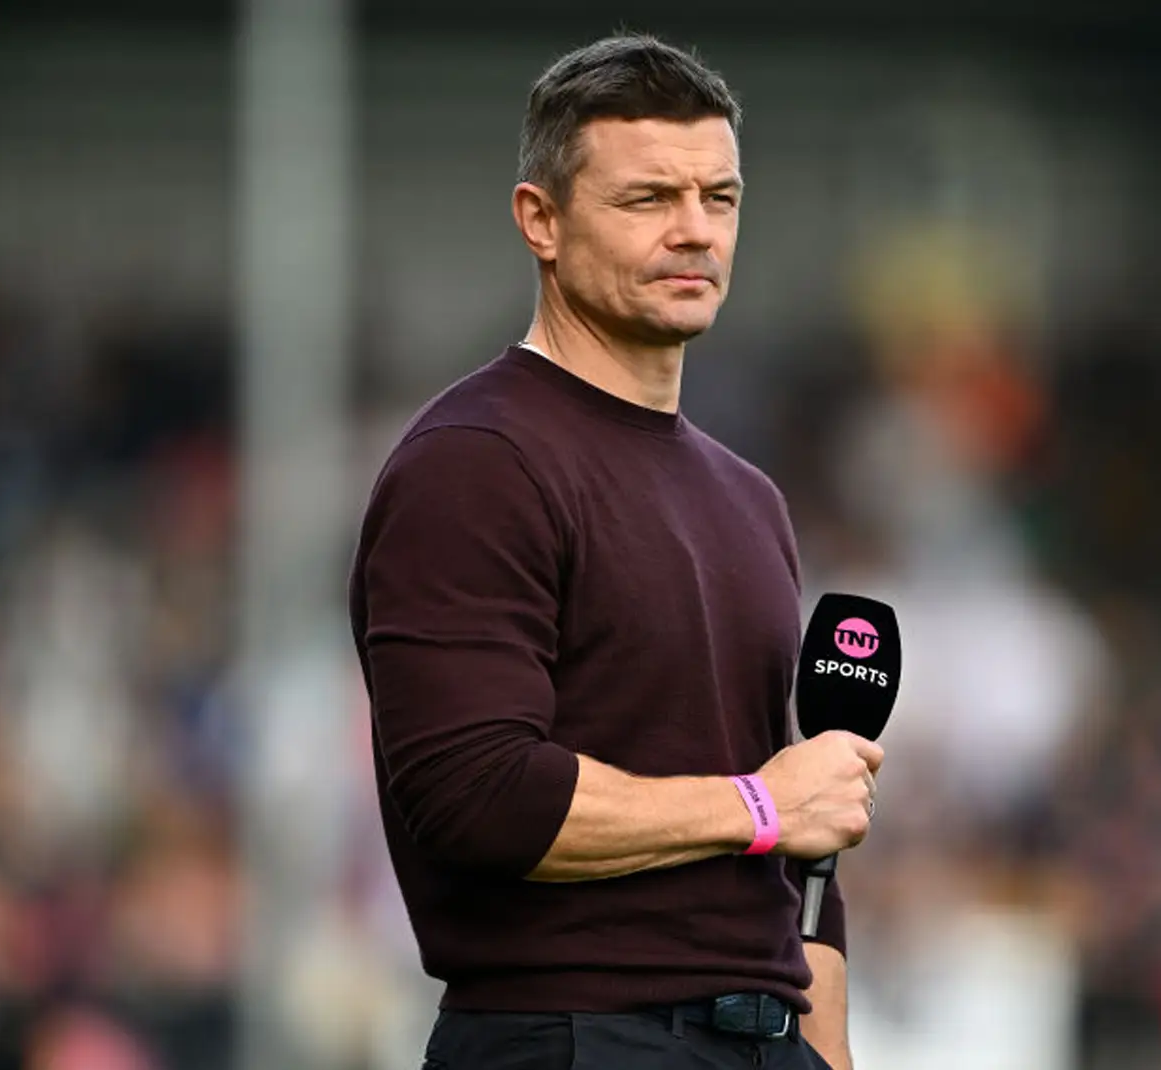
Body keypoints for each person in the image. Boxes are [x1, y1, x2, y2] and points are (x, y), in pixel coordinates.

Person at [348, 34, 882, 1070]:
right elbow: (479, 794)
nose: (694, 232)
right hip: (574, 1034)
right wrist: (761, 804)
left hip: (763, 1040)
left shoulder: (751, 497)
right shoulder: (475, 461)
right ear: (538, 221)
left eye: (718, 199)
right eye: (648, 201)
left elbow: (805, 850)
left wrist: (824, 1046)